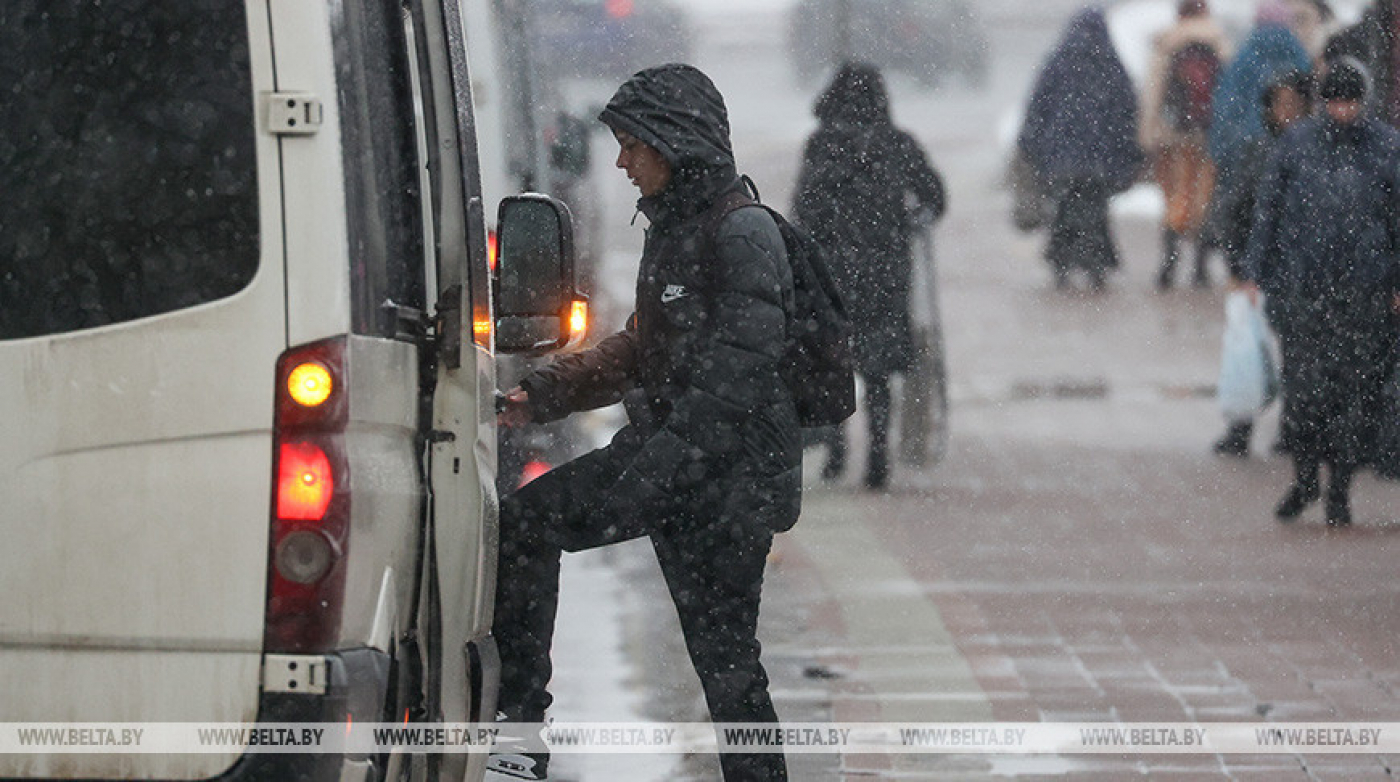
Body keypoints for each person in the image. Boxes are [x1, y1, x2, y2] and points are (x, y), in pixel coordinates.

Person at [489, 64, 799, 782]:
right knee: (726, 666)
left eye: (633, 146)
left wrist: (650, 475)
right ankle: (520, 729)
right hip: (684, 471)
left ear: (675, 143)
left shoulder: (740, 233)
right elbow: (646, 346)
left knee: (726, 665)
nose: (622, 164)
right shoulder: (679, 228)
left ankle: (519, 730)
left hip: (727, 485)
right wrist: (545, 392)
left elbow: (735, 380)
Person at [1241, 59, 1400, 526]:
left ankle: (1340, 491)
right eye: (1334, 101)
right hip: (1304, 290)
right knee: (1305, 396)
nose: (1342, 111)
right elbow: (1268, 210)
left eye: (1350, 102)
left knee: (1355, 398)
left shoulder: (1387, 149)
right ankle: (1306, 479)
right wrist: (1255, 270)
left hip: (1366, 293)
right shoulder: (1297, 145)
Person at [793, 62, 946, 490]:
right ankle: (878, 455)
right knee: (877, 370)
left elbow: (802, 209)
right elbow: (935, 195)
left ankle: (838, 449)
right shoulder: (898, 144)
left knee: (835, 364)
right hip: (885, 272)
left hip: (833, 275)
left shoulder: (821, 145)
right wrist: (913, 216)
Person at [1210, 70, 1313, 457]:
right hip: (1259, 267)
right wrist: (1239, 263)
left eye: (1293, 104)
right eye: (1279, 104)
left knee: (1297, 355)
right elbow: (1235, 209)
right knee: (1247, 350)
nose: (1286, 113)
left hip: (1301, 272)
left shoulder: (1315, 153)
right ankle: (1241, 427)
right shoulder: (1258, 152)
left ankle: (1292, 430)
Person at [1018, 8, 1143, 292]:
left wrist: (1031, 145)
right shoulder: (1110, 64)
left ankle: (1061, 262)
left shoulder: (1058, 62)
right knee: (1095, 211)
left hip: (1061, 160)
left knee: (1063, 209)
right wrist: (1128, 154)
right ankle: (1095, 263)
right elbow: (1126, 112)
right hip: (1099, 161)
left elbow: (1038, 106)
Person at [1140, 0, 1231, 289]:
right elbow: (1229, 94)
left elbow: (1153, 92)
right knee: (1203, 198)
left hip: (1174, 135)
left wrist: (1148, 133)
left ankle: (1169, 263)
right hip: (1208, 134)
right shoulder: (1220, 43)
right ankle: (1200, 268)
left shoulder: (1167, 42)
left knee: (1175, 197)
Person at [1208, 3, 1313, 172]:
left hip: (1247, 146)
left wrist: (1222, 148)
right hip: (1296, 140)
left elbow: (1228, 105)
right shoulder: (1298, 53)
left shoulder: (1245, 56)